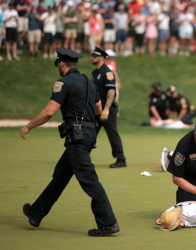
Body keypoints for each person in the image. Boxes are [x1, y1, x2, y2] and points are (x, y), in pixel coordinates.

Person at [20, 47, 120, 236]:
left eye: (58, 63)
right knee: (60, 175)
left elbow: (49, 112)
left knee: (89, 180)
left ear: (62, 63)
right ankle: (36, 212)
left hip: (77, 137)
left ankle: (108, 223)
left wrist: (29, 126)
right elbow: (98, 109)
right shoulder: (90, 83)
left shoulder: (63, 83)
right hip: (89, 136)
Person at [91, 47, 127, 168]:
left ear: (101, 57)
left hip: (108, 109)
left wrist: (106, 109)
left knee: (112, 134)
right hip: (97, 109)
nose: (92, 58)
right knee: (90, 133)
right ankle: (83, 158)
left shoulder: (107, 72)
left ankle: (121, 160)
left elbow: (111, 91)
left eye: (94, 56)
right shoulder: (95, 73)